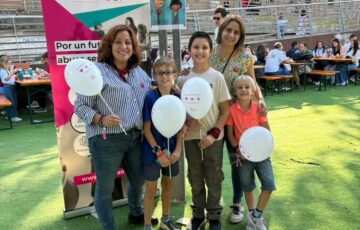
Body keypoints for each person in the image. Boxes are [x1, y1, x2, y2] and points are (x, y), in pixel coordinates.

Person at [74, 25, 158, 230]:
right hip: (106, 139)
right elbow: (80, 105)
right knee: (106, 187)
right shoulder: (97, 72)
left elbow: (152, 90)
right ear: (109, 45)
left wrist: (170, 85)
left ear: (134, 46)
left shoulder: (138, 73)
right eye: (118, 42)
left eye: (128, 42)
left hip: (135, 137)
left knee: (138, 181)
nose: (124, 46)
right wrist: (100, 118)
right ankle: (108, 226)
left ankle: (135, 212)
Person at [208, 14, 266, 224]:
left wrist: (261, 100)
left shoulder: (245, 57)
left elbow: (252, 82)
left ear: (240, 36)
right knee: (213, 164)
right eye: (228, 30)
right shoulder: (209, 54)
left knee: (237, 162)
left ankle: (236, 204)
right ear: (221, 30)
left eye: (236, 32)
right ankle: (212, 206)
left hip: (238, 119)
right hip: (213, 118)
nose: (231, 35)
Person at [177, 31, 231, 230]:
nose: (200, 51)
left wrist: (213, 134)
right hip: (190, 137)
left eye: (204, 47)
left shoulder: (216, 77)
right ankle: (198, 214)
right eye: (196, 47)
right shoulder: (182, 80)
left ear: (210, 51)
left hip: (213, 139)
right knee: (195, 176)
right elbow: (177, 111)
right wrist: (188, 121)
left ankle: (214, 215)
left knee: (214, 175)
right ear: (189, 50)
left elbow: (225, 110)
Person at [226, 75, 275, 230]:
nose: (244, 90)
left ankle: (255, 217)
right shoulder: (231, 111)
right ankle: (253, 217)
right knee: (247, 187)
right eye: (240, 87)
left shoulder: (258, 108)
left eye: (247, 87)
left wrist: (265, 146)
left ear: (253, 91)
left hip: (262, 155)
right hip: (243, 156)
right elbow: (230, 134)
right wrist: (236, 149)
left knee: (268, 185)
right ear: (234, 92)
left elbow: (267, 130)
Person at [142, 57, 183, 230]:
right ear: (154, 76)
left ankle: (165, 219)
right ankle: (146, 225)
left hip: (172, 150)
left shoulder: (178, 96)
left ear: (175, 74)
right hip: (152, 152)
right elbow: (146, 129)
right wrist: (158, 152)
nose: (164, 77)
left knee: (167, 184)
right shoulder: (150, 97)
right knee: (151, 189)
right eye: (160, 73)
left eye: (168, 72)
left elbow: (182, 127)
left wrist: (177, 150)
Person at [0, 54, 22, 122]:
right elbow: (6, 79)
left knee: (14, 101)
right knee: (11, 101)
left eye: (10, 64)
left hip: (12, 86)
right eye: (8, 64)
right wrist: (12, 72)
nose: (10, 65)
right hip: (7, 87)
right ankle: (13, 116)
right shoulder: (2, 71)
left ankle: (10, 115)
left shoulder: (8, 70)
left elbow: (11, 78)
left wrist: (15, 75)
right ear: (3, 63)